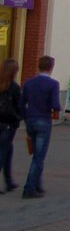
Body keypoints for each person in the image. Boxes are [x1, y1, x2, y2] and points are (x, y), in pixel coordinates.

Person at [20, 55, 61, 199]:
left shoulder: (29, 83)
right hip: (44, 120)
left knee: (37, 154)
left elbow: (21, 102)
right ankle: (29, 188)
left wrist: (26, 117)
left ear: (39, 66)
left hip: (30, 119)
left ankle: (37, 184)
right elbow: (55, 105)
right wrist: (55, 113)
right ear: (51, 67)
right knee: (39, 156)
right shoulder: (53, 84)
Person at [0, 58, 22, 194]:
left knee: (8, 150)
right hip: (8, 123)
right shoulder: (14, 87)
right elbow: (18, 106)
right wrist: (20, 116)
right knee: (3, 151)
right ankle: (8, 181)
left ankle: (9, 181)